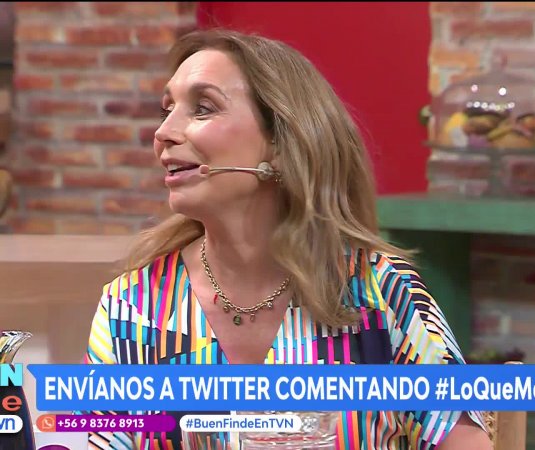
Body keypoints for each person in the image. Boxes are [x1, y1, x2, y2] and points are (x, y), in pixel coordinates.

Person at [80, 28, 493, 450]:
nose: (163, 132)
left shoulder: (382, 290)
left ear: (280, 143)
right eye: (166, 110)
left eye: (202, 108)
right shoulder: (132, 306)